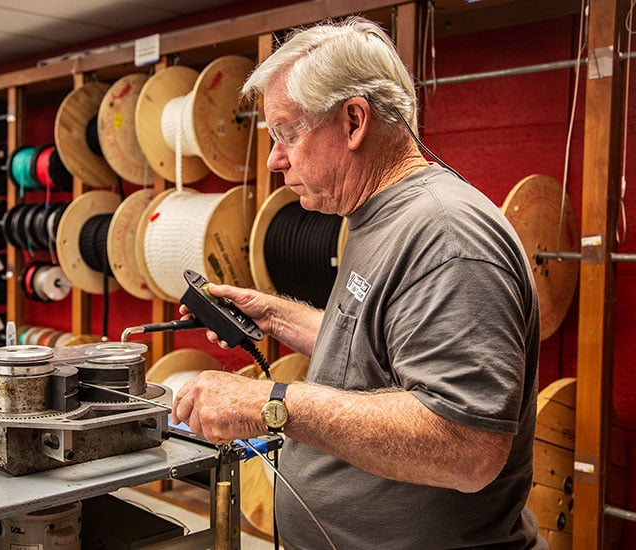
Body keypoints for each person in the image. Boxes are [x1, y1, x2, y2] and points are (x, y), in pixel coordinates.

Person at [171, 16, 545, 549]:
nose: (276, 159)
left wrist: (269, 404)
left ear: (353, 121)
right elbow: (380, 347)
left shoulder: (445, 235)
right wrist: (275, 316)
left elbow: (466, 446)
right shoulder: (377, 216)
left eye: (287, 132)